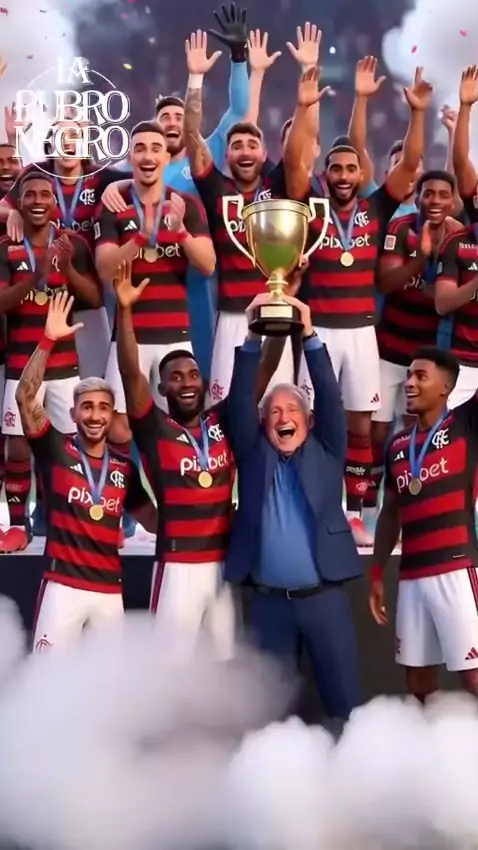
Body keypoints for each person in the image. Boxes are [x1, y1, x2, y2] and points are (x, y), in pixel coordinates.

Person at [284, 64, 432, 546]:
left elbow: (410, 165)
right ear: (326, 174)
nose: (344, 176)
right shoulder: (311, 207)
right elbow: (293, 161)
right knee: (310, 421)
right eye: (336, 168)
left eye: (351, 168)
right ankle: (311, 507)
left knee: (360, 427)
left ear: (362, 173)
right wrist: (305, 106)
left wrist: (418, 113)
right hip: (319, 331)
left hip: (362, 332)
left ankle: (353, 514)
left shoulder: (376, 208)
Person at [113, 258, 292, 653]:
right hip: (177, 566)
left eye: (193, 375)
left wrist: (281, 315)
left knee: (225, 664)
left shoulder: (223, 419)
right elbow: (130, 374)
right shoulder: (154, 428)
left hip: (222, 568)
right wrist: (124, 311)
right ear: (162, 389)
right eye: (176, 377)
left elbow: (263, 370)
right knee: (171, 667)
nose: (187, 383)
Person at [225, 291, 363, 720]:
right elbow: (239, 404)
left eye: (292, 410)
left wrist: (310, 335)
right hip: (270, 606)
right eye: (274, 412)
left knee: (345, 702)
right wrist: (251, 338)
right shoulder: (253, 454)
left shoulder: (327, 450)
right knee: (270, 711)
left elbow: (331, 397)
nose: (283, 417)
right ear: (263, 423)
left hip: (324, 601)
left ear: (309, 420)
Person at [100, 7, 250, 377]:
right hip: (139, 285)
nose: (171, 122)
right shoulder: (135, 170)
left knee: (194, 378)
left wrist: (238, 58)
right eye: (164, 117)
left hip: (196, 282)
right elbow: (106, 182)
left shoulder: (205, 155)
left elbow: (239, 110)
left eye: (179, 117)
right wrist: (116, 185)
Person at [15, 291, 156, 651]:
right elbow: (25, 398)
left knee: (109, 680)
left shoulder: (124, 469)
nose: (95, 415)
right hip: (62, 588)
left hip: (109, 593)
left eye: (103, 408)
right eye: (87, 407)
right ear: (73, 413)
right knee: (48, 675)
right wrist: (48, 339)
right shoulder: (55, 449)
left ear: (112, 415)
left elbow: (155, 522)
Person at [182, 49, 306, 402]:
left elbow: (296, 152)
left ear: (264, 154)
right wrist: (195, 80)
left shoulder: (278, 186)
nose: (245, 151)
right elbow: (191, 136)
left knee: (277, 405)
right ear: (227, 155)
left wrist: (304, 102)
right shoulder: (215, 188)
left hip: (277, 313)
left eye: (253, 144)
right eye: (237, 145)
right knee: (226, 407)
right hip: (232, 318)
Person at [94, 121, 215, 448]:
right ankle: (126, 485)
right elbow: (104, 268)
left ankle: (173, 483)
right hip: (129, 335)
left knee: (176, 425)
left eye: (155, 149)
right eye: (140, 149)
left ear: (166, 157)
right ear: (130, 157)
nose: (148, 156)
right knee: (118, 429)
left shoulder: (185, 204)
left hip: (175, 337)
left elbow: (208, 264)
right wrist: (140, 238)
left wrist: (181, 234)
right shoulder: (114, 204)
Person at [0, 170, 101, 552]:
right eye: (30, 195)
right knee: (17, 447)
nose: (38, 201)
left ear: (55, 203)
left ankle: (67, 519)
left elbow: (94, 298)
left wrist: (68, 270)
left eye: (45, 194)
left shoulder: (72, 244)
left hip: (64, 368)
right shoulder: (7, 247)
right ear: (19, 203)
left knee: (69, 447)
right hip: (20, 366)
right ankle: (17, 524)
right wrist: (36, 277)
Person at [369, 346, 478, 700]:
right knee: (418, 683)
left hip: (456, 570)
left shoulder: (466, 425)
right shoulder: (397, 445)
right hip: (411, 578)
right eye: (408, 375)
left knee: (474, 677)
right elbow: (390, 513)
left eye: (420, 376)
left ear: (445, 387)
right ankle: (434, 738)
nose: (409, 383)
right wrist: (376, 573)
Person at [365, 171, 459, 521]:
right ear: (417, 198)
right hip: (389, 347)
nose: (435, 201)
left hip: (427, 354)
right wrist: (420, 258)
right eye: (428, 193)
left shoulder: (458, 237)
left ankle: (410, 508)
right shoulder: (401, 228)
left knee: (416, 432)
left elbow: (446, 298)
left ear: (453, 201)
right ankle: (368, 509)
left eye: (443, 195)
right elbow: (387, 283)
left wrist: (428, 287)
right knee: (376, 432)